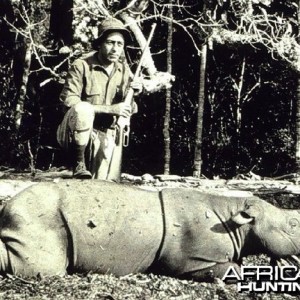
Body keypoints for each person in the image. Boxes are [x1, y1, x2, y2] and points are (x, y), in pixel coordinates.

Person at [57, 17, 142, 180]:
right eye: (110, 43)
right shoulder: (81, 65)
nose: (115, 49)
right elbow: (69, 101)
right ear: (100, 44)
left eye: (119, 44)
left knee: (105, 190)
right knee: (84, 109)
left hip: (107, 135)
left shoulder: (123, 70)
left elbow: (129, 108)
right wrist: (110, 109)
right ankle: (78, 163)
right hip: (75, 134)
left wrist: (135, 94)